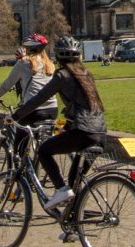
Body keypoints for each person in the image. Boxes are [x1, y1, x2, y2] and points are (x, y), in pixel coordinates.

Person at [12, 36, 106, 210]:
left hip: (83, 132)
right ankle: (73, 219)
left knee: (44, 151)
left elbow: (39, 99)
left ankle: (60, 189)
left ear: (58, 57)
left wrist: (16, 116)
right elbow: (86, 106)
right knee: (74, 181)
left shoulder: (62, 75)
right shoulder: (86, 73)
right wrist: (68, 125)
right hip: (100, 133)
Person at [0, 34, 58, 136]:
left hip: (32, 109)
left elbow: (7, 85)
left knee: (20, 142)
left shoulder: (23, 62)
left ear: (28, 49)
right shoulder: (50, 64)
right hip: (52, 109)